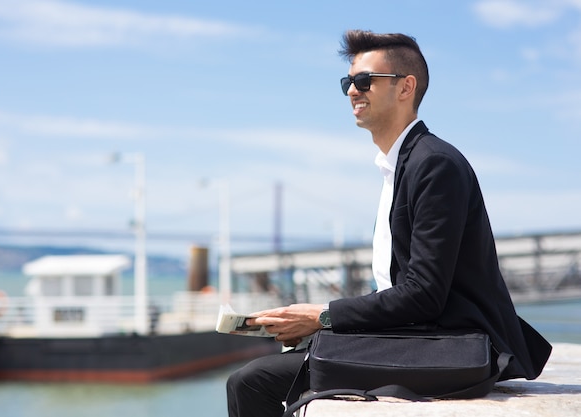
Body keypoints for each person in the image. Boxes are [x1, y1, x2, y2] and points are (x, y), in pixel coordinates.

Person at [226, 30, 552, 417]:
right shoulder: (403, 165)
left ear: (405, 87)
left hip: (455, 345)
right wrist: (320, 322)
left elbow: (424, 294)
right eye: (348, 82)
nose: (352, 91)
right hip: (424, 335)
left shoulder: (434, 164)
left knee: (251, 381)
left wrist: (322, 315)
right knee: (291, 359)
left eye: (364, 81)